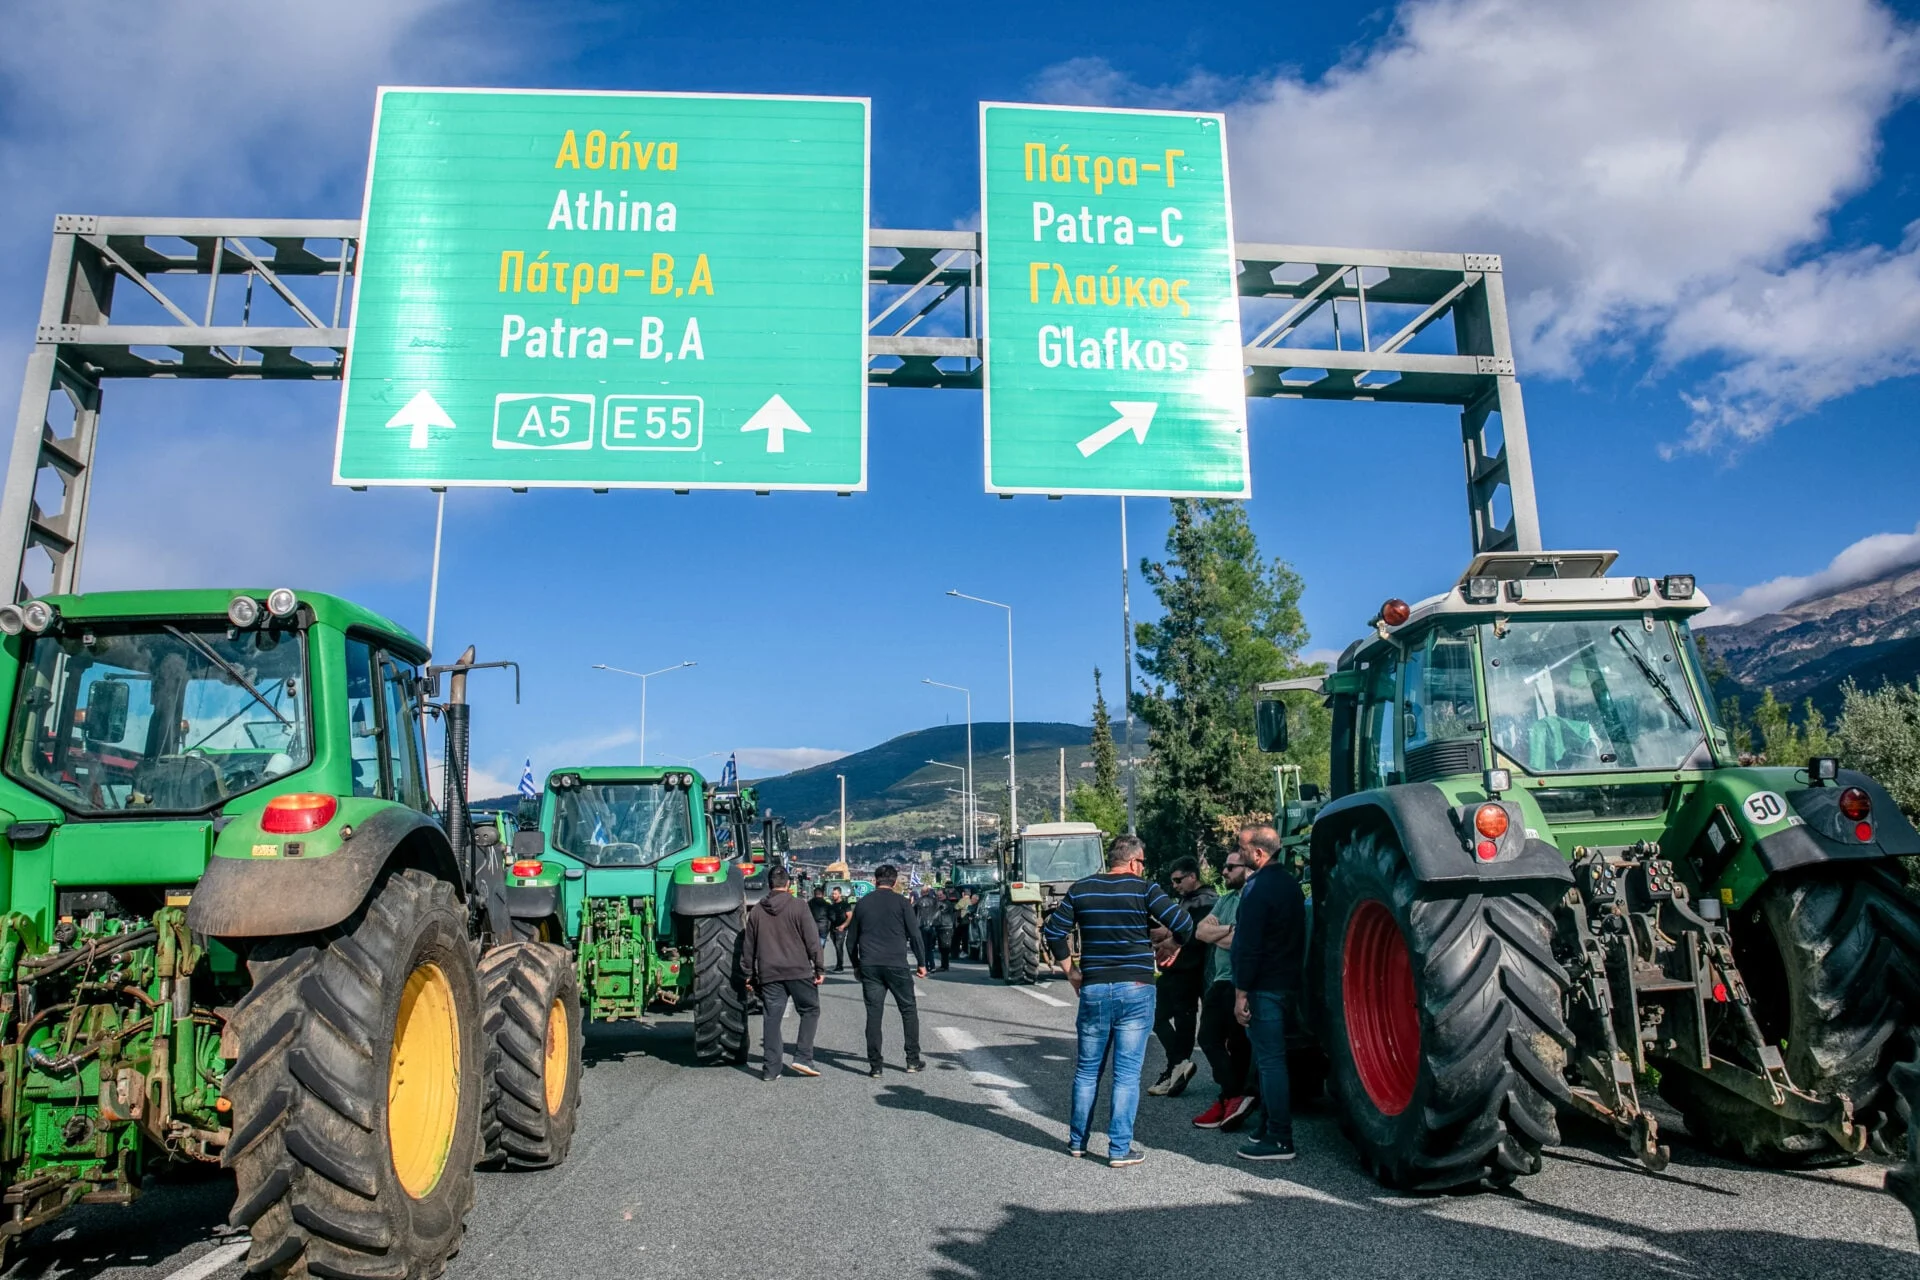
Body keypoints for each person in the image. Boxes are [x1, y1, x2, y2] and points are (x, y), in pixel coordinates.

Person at [1044, 834, 1194, 1167]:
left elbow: (1053, 931)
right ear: (1134, 861)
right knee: (1126, 1075)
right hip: (1137, 988)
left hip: (1095, 988)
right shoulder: (1145, 890)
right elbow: (1184, 923)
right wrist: (1172, 944)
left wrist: (1071, 972)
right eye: (1143, 863)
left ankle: (1077, 1143)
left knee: (1087, 1072)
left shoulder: (1082, 889)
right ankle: (1119, 1149)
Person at [1231, 824, 1307, 1161]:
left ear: (1259, 853)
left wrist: (1241, 993)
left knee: (1270, 1062)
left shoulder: (1256, 888)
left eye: (1242, 848)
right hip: (1288, 983)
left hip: (1263, 987)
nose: (1239, 853)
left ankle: (1279, 1137)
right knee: (1270, 1060)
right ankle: (1266, 1126)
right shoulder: (1291, 884)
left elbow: (1248, 945)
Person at [1191, 847, 1256, 1130]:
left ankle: (1231, 1097)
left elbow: (1243, 940)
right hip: (1220, 980)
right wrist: (1230, 931)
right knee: (1209, 1038)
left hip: (1239, 979)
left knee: (1236, 1044)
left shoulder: (1254, 898)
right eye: (1225, 866)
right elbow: (1200, 932)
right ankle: (1233, 1095)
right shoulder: (1226, 899)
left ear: (1248, 869)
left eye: (1231, 867)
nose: (1224, 872)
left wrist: (1220, 934)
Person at [740, 867, 824, 1081]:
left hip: (769, 973)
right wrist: (819, 967)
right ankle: (803, 1057)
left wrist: (748, 974)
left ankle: (770, 1069)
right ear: (788, 884)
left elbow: (748, 946)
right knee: (810, 1010)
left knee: (772, 1018)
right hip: (798, 970)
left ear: (769, 885)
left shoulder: (757, 911)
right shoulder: (799, 906)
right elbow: (812, 939)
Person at [846, 864, 927, 1076]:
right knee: (908, 1011)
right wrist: (921, 962)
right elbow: (915, 935)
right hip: (897, 964)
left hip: (870, 965)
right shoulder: (902, 903)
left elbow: (850, 941)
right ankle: (912, 1060)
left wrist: (856, 965)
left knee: (874, 1014)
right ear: (895, 881)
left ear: (875, 880)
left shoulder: (862, 904)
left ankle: (875, 1066)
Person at [1147, 856, 1215, 1098]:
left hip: (1190, 971)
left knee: (1182, 1021)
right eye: (1173, 881)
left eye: (1178, 880)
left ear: (1192, 876)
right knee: (1159, 1017)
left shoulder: (1206, 901)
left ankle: (1175, 1068)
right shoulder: (1188, 900)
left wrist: (1169, 938)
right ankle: (1177, 1066)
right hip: (1176, 971)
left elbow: (1196, 935)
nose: (1175, 885)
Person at [826, 887, 853, 972]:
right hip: (833, 929)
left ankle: (840, 966)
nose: (833, 895)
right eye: (833, 894)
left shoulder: (845, 905)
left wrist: (843, 926)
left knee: (839, 947)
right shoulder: (832, 906)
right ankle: (838, 964)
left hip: (841, 929)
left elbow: (850, 916)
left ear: (840, 894)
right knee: (837, 947)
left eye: (835, 894)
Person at [915, 889, 943, 970]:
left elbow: (911, 908)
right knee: (930, 948)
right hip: (931, 926)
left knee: (923, 947)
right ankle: (932, 966)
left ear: (922, 892)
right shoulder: (934, 901)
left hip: (922, 926)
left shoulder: (918, 901)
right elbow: (942, 906)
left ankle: (925, 965)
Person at [932, 890, 958, 971]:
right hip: (941, 926)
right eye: (938, 895)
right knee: (941, 947)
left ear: (945, 895)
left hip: (946, 926)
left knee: (945, 947)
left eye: (940, 895)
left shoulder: (947, 903)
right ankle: (943, 965)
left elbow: (940, 910)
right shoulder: (940, 903)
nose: (939, 896)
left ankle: (945, 966)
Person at [807, 886, 832, 955]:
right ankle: (819, 955)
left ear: (814, 894)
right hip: (824, 927)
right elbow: (832, 917)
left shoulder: (809, 904)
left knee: (812, 945)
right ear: (823, 894)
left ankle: (813, 956)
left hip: (812, 927)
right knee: (821, 945)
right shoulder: (827, 905)